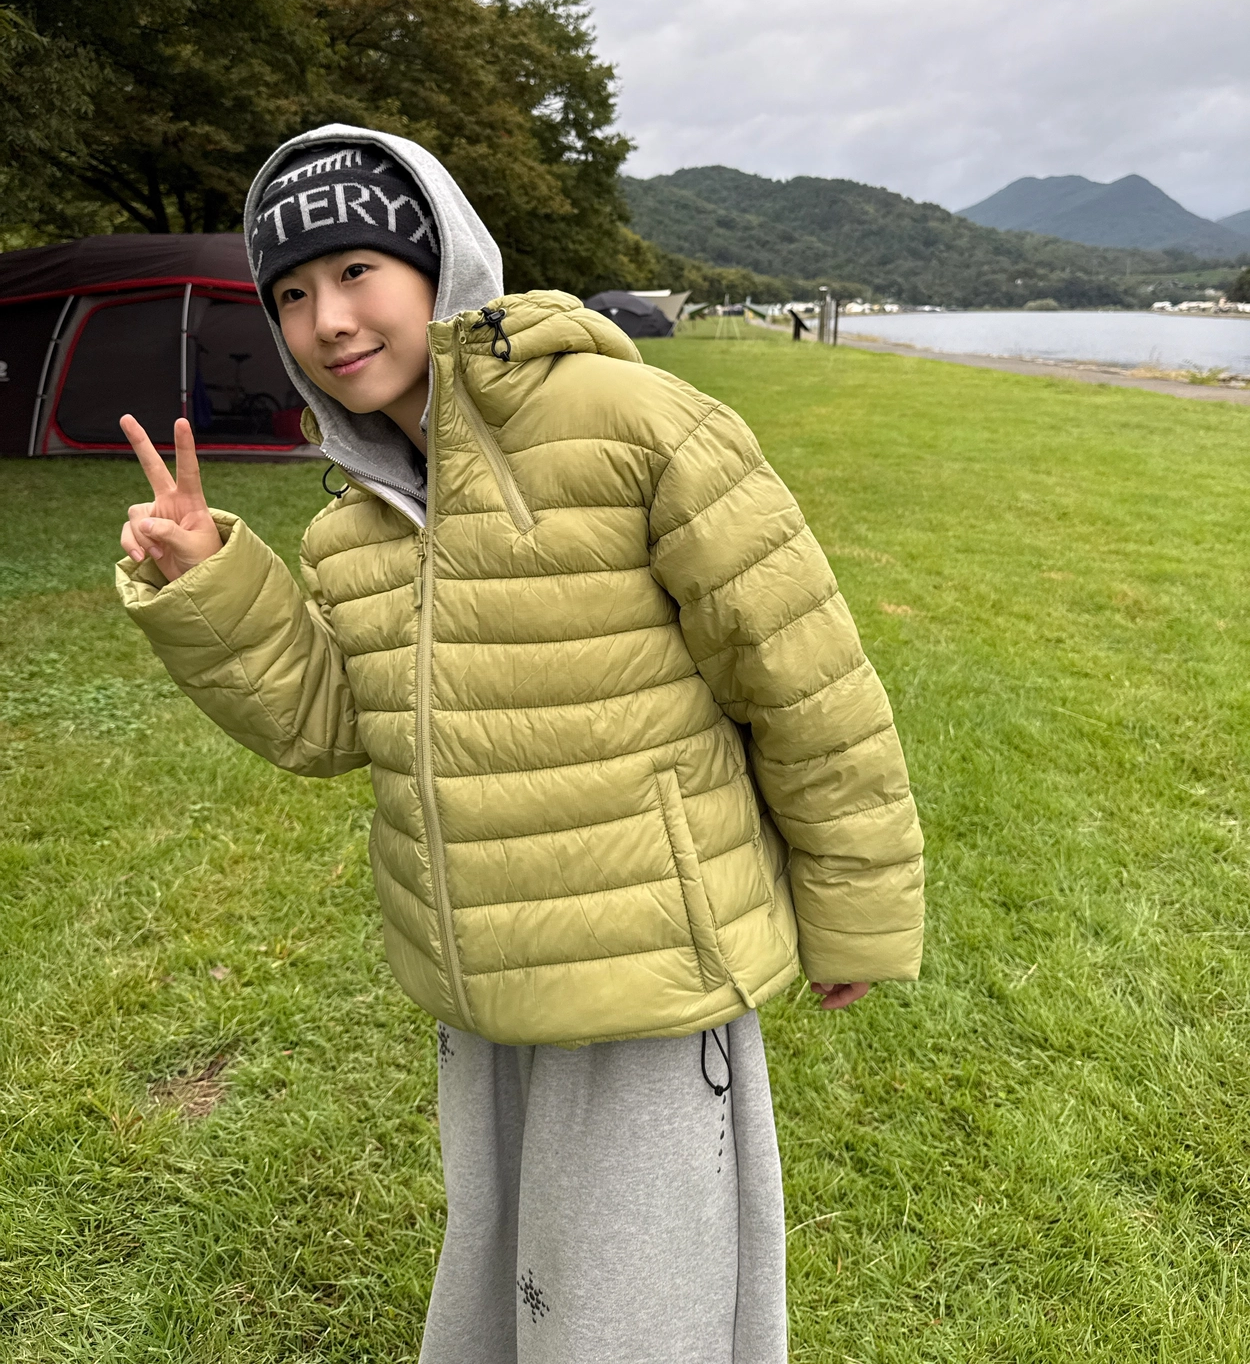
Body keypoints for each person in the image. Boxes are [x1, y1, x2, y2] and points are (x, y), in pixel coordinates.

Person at [116, 125, 924, 1364]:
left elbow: (802, 679)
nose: (328, 319)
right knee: (511, 1279)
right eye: (291, 294)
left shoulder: (632, 422)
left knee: (637, 1306)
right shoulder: (352, 525)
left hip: (642, 973)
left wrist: (853, 907)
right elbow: (329, 723)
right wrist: (211, 578)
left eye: (356, 269)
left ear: (442, 259)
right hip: (478, 986)